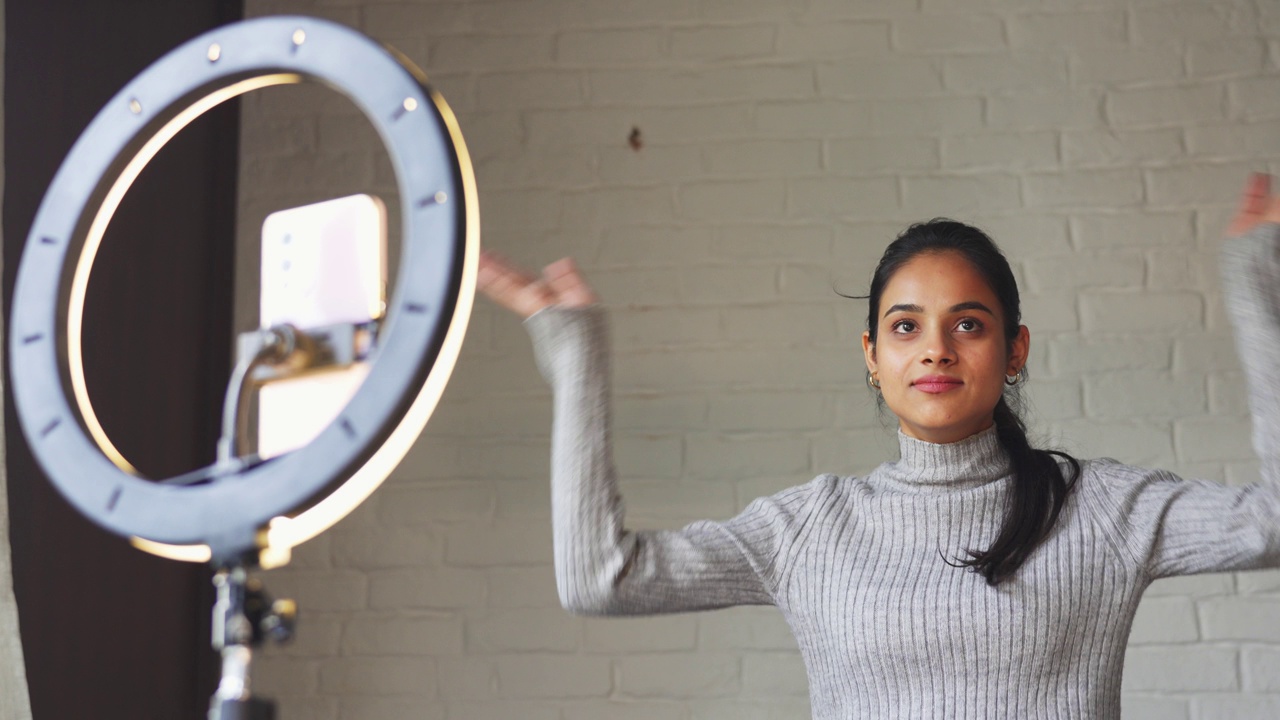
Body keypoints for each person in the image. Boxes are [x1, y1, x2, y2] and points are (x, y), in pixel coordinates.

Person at [475, 174, 1280, 719]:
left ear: (1016, 349)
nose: (936, 349)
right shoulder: (811, 527)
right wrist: (576, 356)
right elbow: (599, 578)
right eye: (905, 327)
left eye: (968, 323)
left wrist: (1257, 282)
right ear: (871, 354)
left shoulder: (1101, 509)